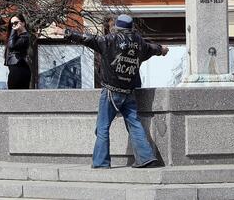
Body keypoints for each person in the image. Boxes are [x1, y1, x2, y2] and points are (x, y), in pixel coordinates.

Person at [60, 14, 169, 168]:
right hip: (129, 91)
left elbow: (87, 38)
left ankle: (101, 162)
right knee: (134, 123)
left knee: (103, 127)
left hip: (111, 91)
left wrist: (67, 33)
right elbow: (153, 48)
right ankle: (146, 158)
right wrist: (162, 50)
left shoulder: (109, 40)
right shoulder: (140, 43)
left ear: (117, 27)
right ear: (131, 28)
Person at [4, 13, 32, 89]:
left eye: (16, 23)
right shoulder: (17, 37)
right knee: (13, 95)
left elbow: (12, 46)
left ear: (23, 23)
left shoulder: (25, 36)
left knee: (15, 95)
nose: (13, 25)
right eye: (12, 24)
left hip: (19, 68)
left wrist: (13, 30)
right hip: (15, 68)